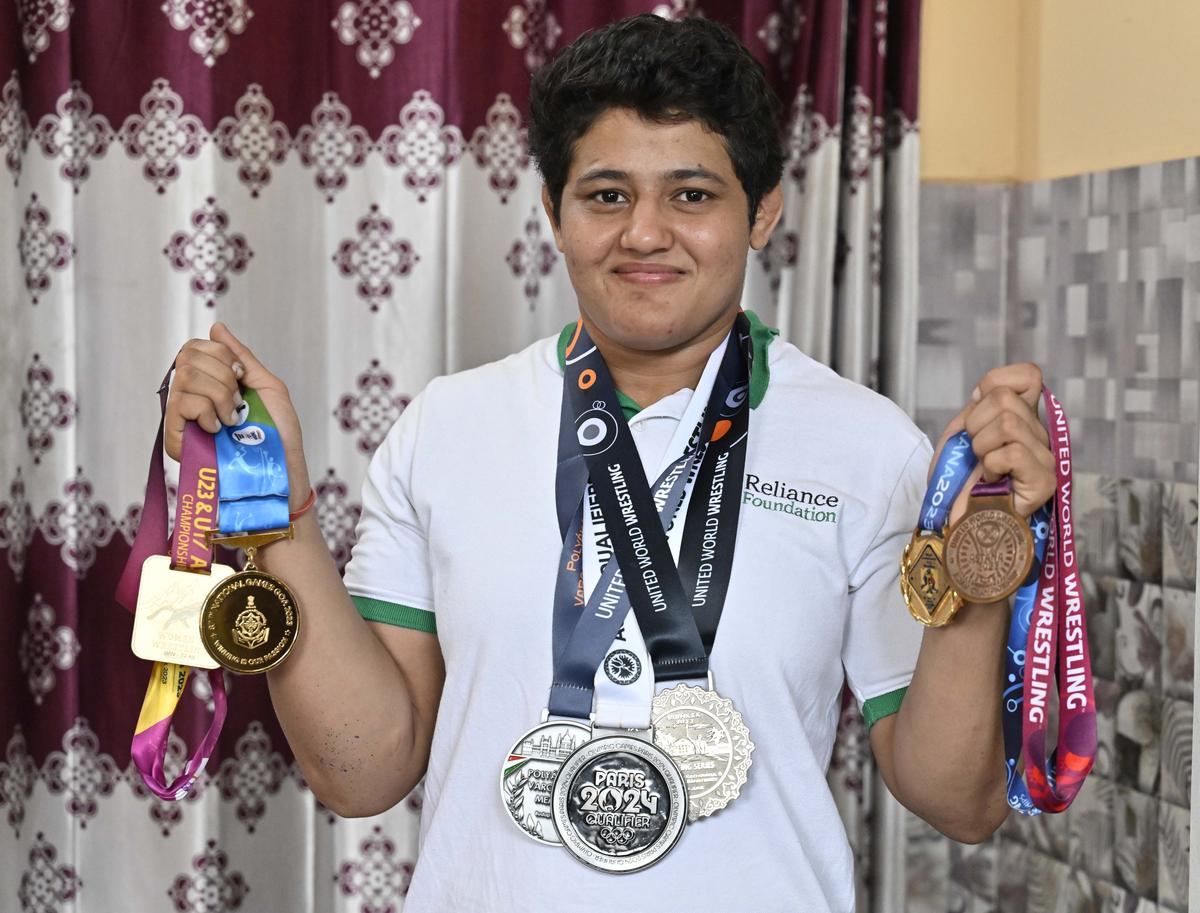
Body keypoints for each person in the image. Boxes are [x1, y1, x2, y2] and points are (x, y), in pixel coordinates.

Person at [165, 14, 1055, 912]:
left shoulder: (868, 447)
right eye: (605, 195)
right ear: (553, 211)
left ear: (764, 210)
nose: (645, 233)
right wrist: (271, 504)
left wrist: (981, 548)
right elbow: (362, 772)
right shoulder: (448, 427)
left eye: (693, 195)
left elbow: (959, 800)